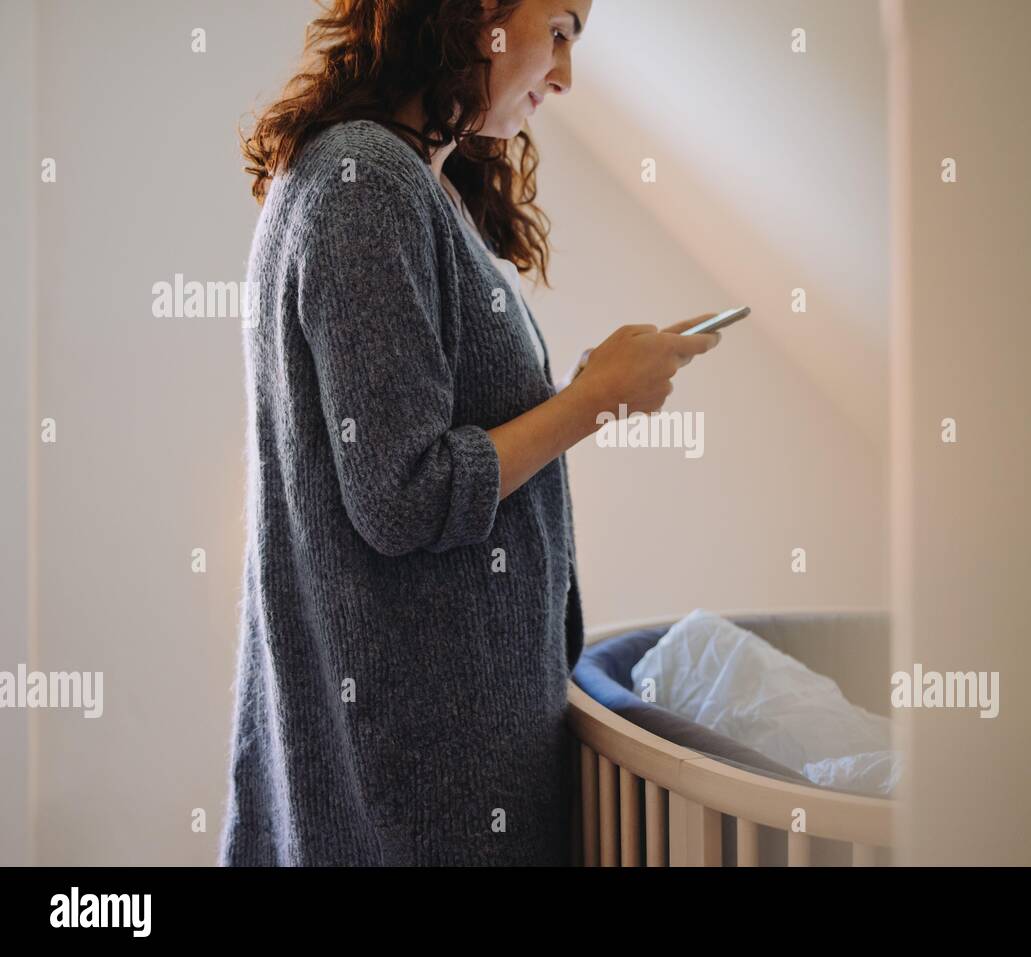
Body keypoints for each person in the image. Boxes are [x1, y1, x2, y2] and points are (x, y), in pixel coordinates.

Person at [218, 0, 721, 866]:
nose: (564, 74)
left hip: (418, 760)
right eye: (559, 31)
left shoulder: (401, 180)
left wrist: (589, 392)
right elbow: (403, 494)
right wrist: (593, 400)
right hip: (418, 779)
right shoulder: (365, 180)